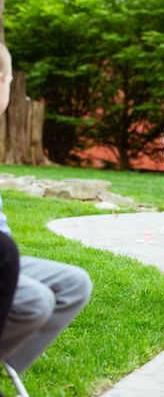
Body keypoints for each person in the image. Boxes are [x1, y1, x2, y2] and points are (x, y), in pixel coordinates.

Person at [0, 43, 93, 374]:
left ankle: (10, 363)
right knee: (35, 301)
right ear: (2, 80)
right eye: (10, 80)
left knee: (75, 283)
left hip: (6, 259)